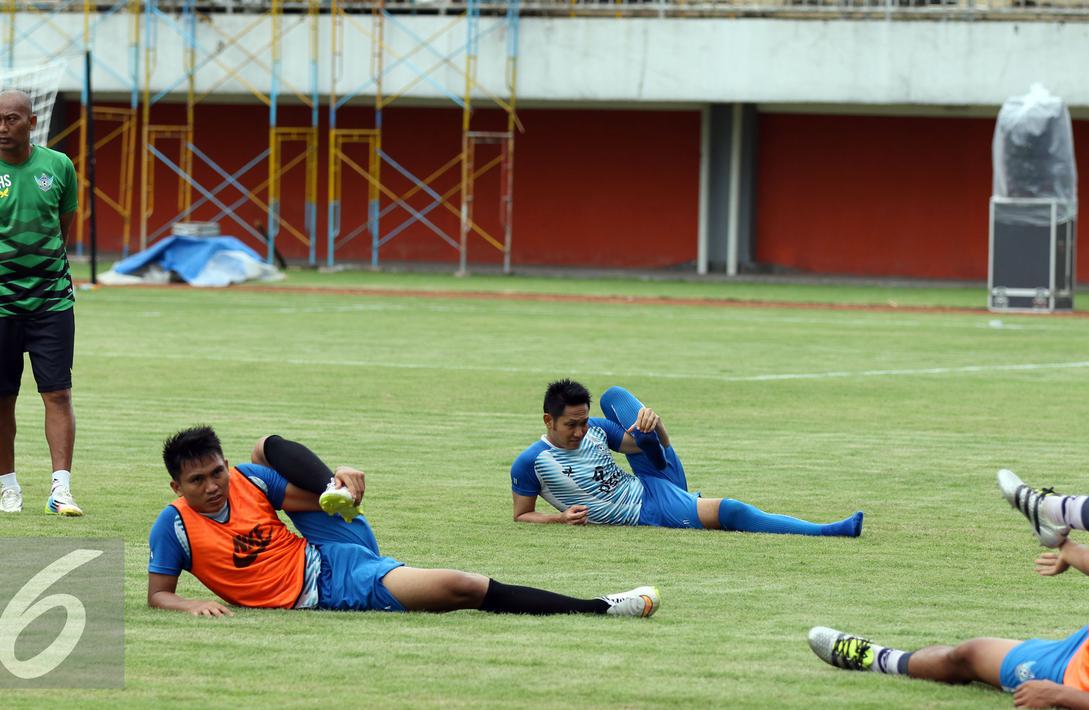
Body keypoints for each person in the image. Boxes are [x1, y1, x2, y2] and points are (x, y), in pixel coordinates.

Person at [148, 426, 659, 618]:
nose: (214, 485)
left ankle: (338, 486)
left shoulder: (247, 481)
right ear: (178, 487)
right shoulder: (172, 528)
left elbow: (286, 479)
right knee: (462, 587)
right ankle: (600, 607)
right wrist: (190, 603)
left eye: (217, 471)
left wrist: (335, 482)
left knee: (265, 445)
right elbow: (158, 593)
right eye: (199, 480)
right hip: (328, 584)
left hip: (326, 541)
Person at [808, 472, 1089, 710]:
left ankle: (876, 660)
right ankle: (1050, 509)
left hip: (1080, 675)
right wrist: (1068, 549)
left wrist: (1057, 695)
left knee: (969, 653)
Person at [510, 380, 863, 536]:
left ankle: (652, 434)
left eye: (584, 422)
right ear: (548, 420)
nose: (580, 431)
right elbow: (522, 515)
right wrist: (559, 520)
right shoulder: (531, 462)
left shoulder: (597, 429)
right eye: (572, 425)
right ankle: (825, 531)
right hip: (645, 511)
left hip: (652, 478)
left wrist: (658, 427)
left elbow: (641, 447)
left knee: (615, 396)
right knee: (730, 510)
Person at [0, 89, 81, 516]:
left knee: (57, 393)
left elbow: (63, 226)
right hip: (0, 308)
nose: (2, 128)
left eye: (12, 119)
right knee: (1, 398)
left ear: (31, 123)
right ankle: (7, 487)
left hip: (51, 302)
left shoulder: (59, 166)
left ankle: (61, 489)